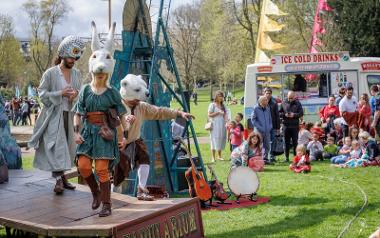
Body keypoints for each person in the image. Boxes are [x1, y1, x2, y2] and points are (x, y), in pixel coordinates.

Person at [28, 36, 85, 195]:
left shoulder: (77, 74)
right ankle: (59, 181)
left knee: (67, 148)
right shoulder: (50, 73)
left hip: (70, 115)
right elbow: (42, 94)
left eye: (75, 58)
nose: (73, 60)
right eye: (70, 57)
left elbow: (79, 93)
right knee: (56, 148)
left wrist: (76, 95)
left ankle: (63, 177)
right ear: (62, 54)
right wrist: (61, 93)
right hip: (54, 116)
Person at [117, 84, 194, 201]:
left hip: (135, 139)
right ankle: (113, 194)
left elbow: (159, 111)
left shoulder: (141, 107)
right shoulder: (117, 106)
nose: (138, 99)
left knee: (145, 158)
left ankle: (141, 190)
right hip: (119, 143)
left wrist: (179, 114)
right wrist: (124, 122)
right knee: (119, 173)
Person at [279, 91, 304, 162]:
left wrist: (294, 115)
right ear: (287, 96)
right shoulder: (283, 102)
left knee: (295, 142)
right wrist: (284, 115)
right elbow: (279, 113)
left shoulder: (298, 103)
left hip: (294, 126)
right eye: (289, 98)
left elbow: (301, 113)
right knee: (285, 142)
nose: (290, 99)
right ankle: (286, 158)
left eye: (292, 98)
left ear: (294, 97)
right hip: (285, 125)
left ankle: (296, 158)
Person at [251, 96, 272, 164]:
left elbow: (270, 119)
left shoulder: (268, 108)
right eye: (265, 100)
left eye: (266, 100)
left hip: (267, 131)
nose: (267, 101)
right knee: (258, 145)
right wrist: (260, 127)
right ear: (260, 101)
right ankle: (257, 159)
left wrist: (270, 126)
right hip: (259, 131)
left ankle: (265, 159)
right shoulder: (255, 108)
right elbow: (253, 120)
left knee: (267, 146)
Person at [208, 90, 228, 162]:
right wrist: (218, 112)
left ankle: (219, 156)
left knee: (221, 138)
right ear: (216, 97)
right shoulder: (212, 105)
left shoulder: (223, 105)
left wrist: (226, 122)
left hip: (222, 124)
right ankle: (213, 157)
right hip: (215, 124)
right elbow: (209, 114)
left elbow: (226, 114)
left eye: (222, 96)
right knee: (214, 139)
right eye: (220, 96)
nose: (221, 98)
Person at [264, 88, 280, 163]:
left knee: (273, 141)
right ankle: (264, 157)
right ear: (264, 93)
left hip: (273, 126)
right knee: (265, 142)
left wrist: (278, 127)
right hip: (264, 126)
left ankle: (272, 157)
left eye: (269, 93)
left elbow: (277, 116)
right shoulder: (261, 102)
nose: (268, 94)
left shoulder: (274, 103)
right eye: (266, 93)